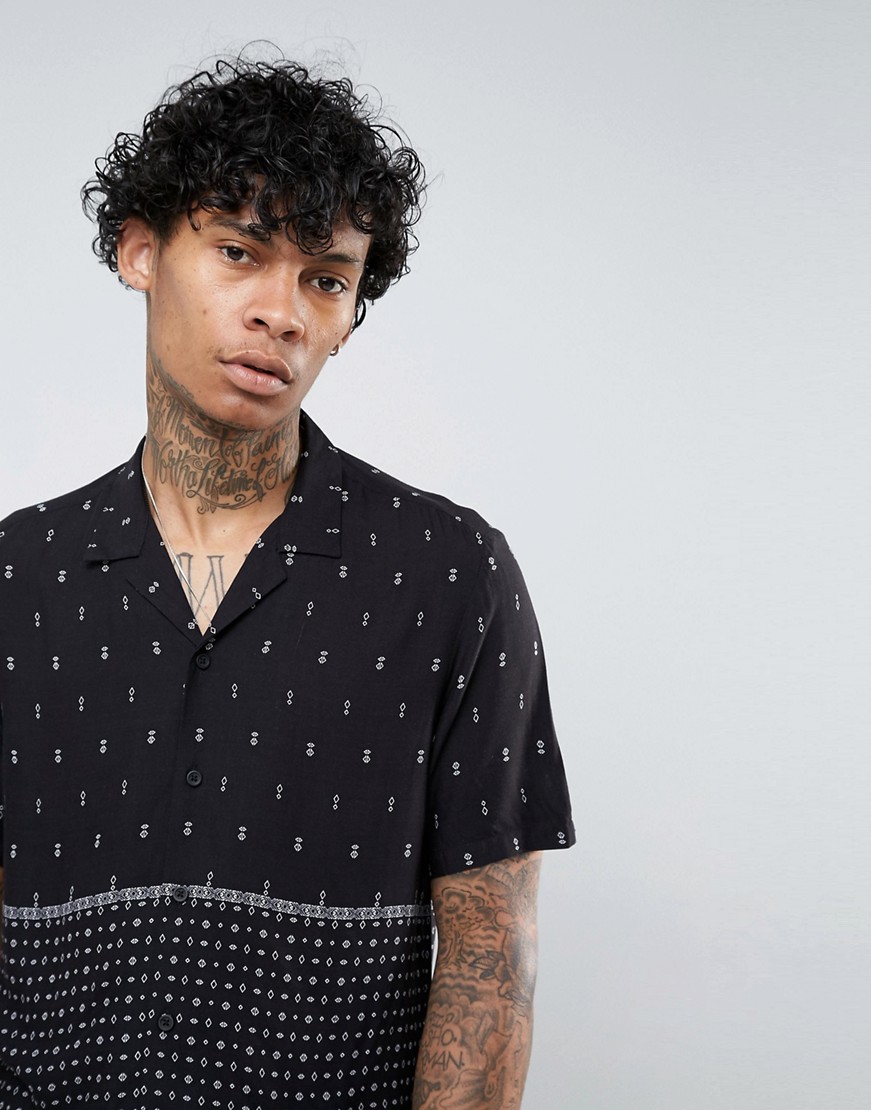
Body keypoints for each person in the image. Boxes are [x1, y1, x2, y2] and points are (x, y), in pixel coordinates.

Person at [0, 55, 574, 1108]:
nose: (283, 313)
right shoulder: (15, 577)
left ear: (350, 316)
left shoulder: (449, 573)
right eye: (239, 252)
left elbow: (491, 958)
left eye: (326, 278)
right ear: (139, 250)